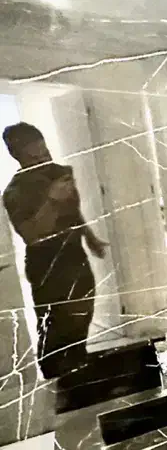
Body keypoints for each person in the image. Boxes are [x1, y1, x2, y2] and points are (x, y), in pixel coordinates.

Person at [2, 123, 106, 379]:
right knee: (55, 331)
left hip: (75, 258)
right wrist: (51, 200)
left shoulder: (59, 173)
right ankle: (56, 385)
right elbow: (32, 236)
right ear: (16, 156)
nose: (43, 161)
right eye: (34, 157)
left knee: (81, 320)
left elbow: (73, 211)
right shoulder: (14, 192)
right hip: (46, 267)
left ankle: (79, 373)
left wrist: (90, 238)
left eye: (45, 152)